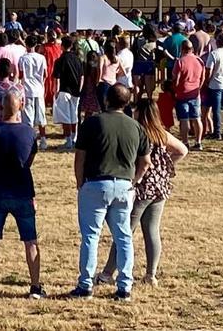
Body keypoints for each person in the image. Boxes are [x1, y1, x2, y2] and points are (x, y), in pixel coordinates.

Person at [70, 84, 152, 301]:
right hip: (124, 185)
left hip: (96, 183)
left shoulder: (93, 122)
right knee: (123, 236)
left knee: (91, 236)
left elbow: (80, 157)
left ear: (106, 100)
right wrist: (134, 181)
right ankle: (125, 286)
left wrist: (80, 182)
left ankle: (85, 284)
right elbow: (145, 162)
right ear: (127, 103)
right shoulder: (136, 127)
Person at [96, 97, 188, 287]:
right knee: (152, 230)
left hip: (141, 188)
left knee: (124, 231)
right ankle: (151, 274)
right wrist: (165, 165)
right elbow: (182, 150)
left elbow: (141, 162)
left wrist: (135, 179)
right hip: (159, 188)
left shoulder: (138, 132)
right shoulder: (161, 134)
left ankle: (107, 273)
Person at [0, 89, 44, 300]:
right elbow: (30, 160)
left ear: (1, 107)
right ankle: (35, 287)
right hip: (23, 190)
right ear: (21, 106)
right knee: (30, 240)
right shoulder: (29, 132)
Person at [17, 36, 49, 151]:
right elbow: (45, 74)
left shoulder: (23, 59)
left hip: (27, 90)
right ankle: (43, 139)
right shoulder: (41, 58)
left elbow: (20, 75)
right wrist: (42, 83)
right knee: (41, 116)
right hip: (39, 89)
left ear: (26, 44)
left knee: (28, 118)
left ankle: (30, 140)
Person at [171, 40, 204, 151]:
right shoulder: (199, 60)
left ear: (182, 49)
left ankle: (185, 141)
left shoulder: (180, 62)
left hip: (182, 93)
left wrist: (175, 89)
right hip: (195, 92)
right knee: (197, 118)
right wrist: (198, 87)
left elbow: (176, 78)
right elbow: (203, 77)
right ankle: (198, 141)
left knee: (184, 119)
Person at [52, 37, 84, 150]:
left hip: (64, 90)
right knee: (74, 116)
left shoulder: (60, 60)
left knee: (66, 117)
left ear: (62, 46)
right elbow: (82, 76)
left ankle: (69, 140)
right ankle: (74, 138)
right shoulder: (78, 59)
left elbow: (57, 78)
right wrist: (79, 89)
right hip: (76, 91)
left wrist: (55, 91)